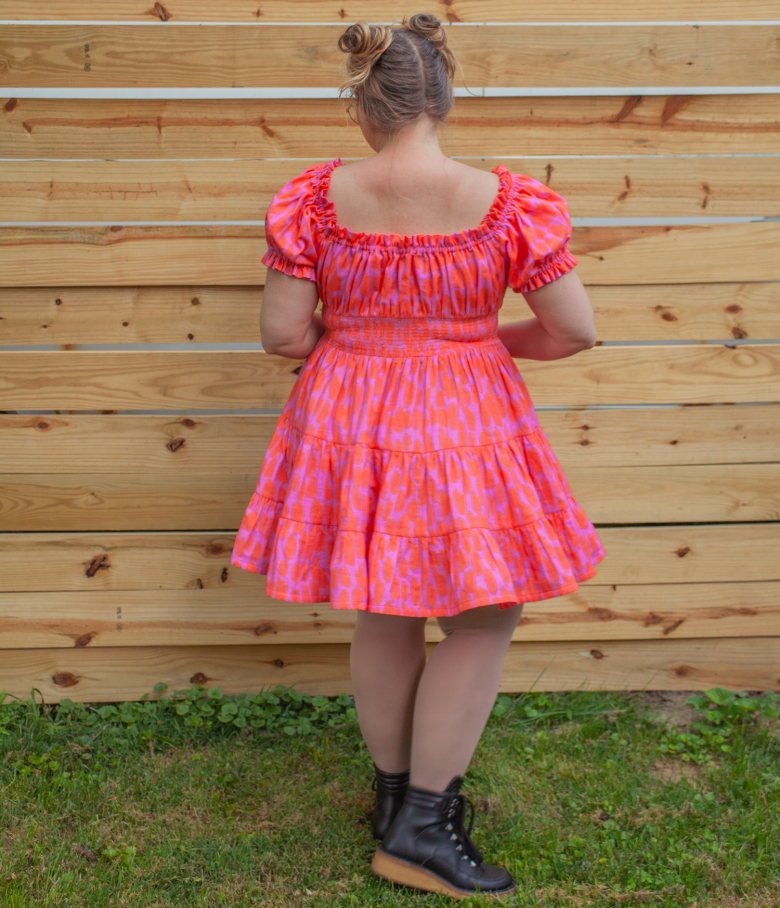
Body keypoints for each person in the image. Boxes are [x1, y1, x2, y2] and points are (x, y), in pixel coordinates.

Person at [231, 13, 605, 899]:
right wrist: (471, 339)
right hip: (463, 416)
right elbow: (575, 331)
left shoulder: (315, 199)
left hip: (348, 410)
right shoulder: (508, 201)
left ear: (362, 102)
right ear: (444, 96)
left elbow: (283, 335)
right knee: (482, 613)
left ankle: (395, 801)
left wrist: (364, 336)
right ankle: (422, 828)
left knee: (383, 603)